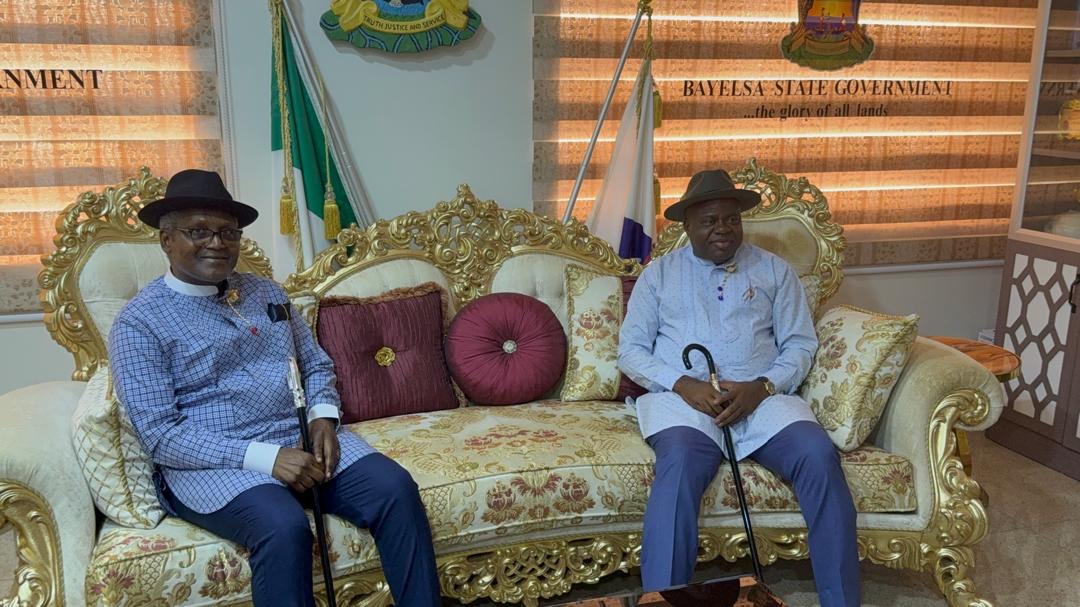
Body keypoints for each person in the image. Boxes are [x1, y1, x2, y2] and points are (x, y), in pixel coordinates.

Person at [108, 169, 440, 606]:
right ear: (166, 240)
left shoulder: (266, 292)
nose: (217, 243)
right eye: (198, 231)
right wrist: (268, 459)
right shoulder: (138, 323)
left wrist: (323, 417)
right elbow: (161, 435)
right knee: (283, 526)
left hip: (302, 439)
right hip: (215, 464)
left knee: (394, 488)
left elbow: (315, 365)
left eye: (229, 232)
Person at [618, 168, 860, 607]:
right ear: (687, 225)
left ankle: (840, 600)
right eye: (709, 221)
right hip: (684, 403)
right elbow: (631, 351)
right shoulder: (659, 275)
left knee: (817, 454)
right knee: (680, 463)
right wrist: (683, 384)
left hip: (762, 399)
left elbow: (800, 345)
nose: (723, 228)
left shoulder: (774, 270)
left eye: (731, 219)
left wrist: (762, 386)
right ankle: (665, 597)